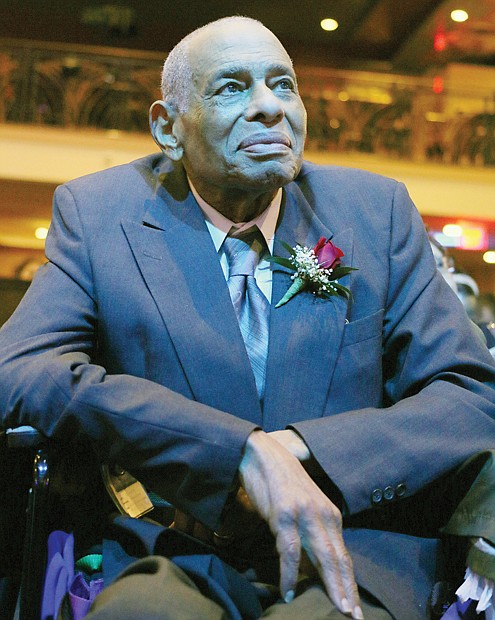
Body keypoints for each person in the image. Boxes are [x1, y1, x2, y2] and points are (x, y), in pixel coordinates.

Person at [1, 16, 495, 620]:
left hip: (352, 549)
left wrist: (298, 449)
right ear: (167, 128)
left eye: (283, 85)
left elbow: (469, 394)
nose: (269, 107)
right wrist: (236, 450)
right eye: (232, 87)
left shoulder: (376, 212)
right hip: (172, 545)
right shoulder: (101, 214)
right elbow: (20, 371)